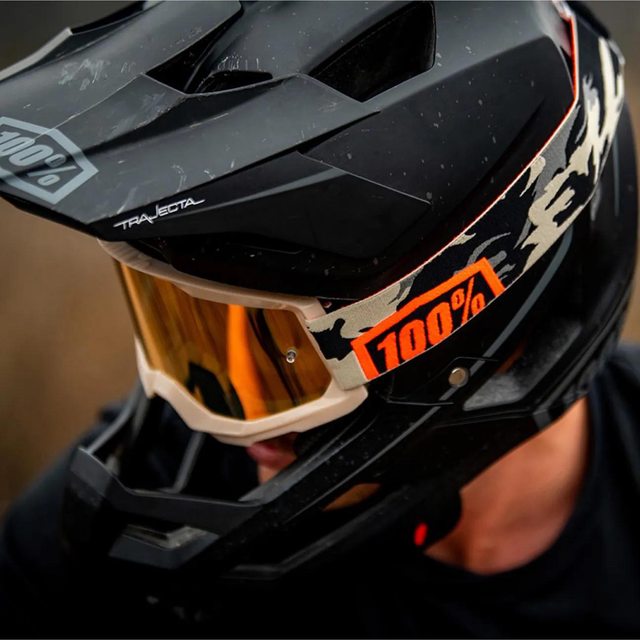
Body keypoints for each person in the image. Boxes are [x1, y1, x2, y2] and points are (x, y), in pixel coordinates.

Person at [0, 0, 638, 636]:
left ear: (468, 321)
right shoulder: (161, 483)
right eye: (187, 327)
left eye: (275, 349)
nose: (213, 424)